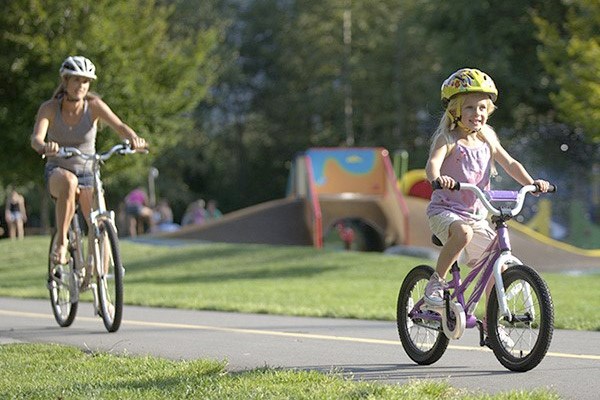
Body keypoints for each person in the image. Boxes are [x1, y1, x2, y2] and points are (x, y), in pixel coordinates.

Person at [423, 68, 549, 341]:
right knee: (463, 234)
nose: (477, 113)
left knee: (497, 267)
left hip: (476, 213)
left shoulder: (488, 138)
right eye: (469, 107)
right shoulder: (449, 139)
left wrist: (531, 183)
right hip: (445, 211)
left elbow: (510, 163)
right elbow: (433, 164)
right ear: (455, 111)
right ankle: (436, 282)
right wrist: (437, 178)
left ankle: (492, 327)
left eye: (482, 107)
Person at [30, 55, 147, 264]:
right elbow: (37, 138)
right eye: (76, 80)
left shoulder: (94, 106)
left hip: (87, 171)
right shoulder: (49, 108)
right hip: (58, 170)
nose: (81, 85)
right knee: (69, 181)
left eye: (85, 81)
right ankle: (61, 243)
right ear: (65, 81)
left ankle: (101, 283)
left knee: (98, 222)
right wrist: (45, 146)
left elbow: (120, 127)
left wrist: (134, 139)